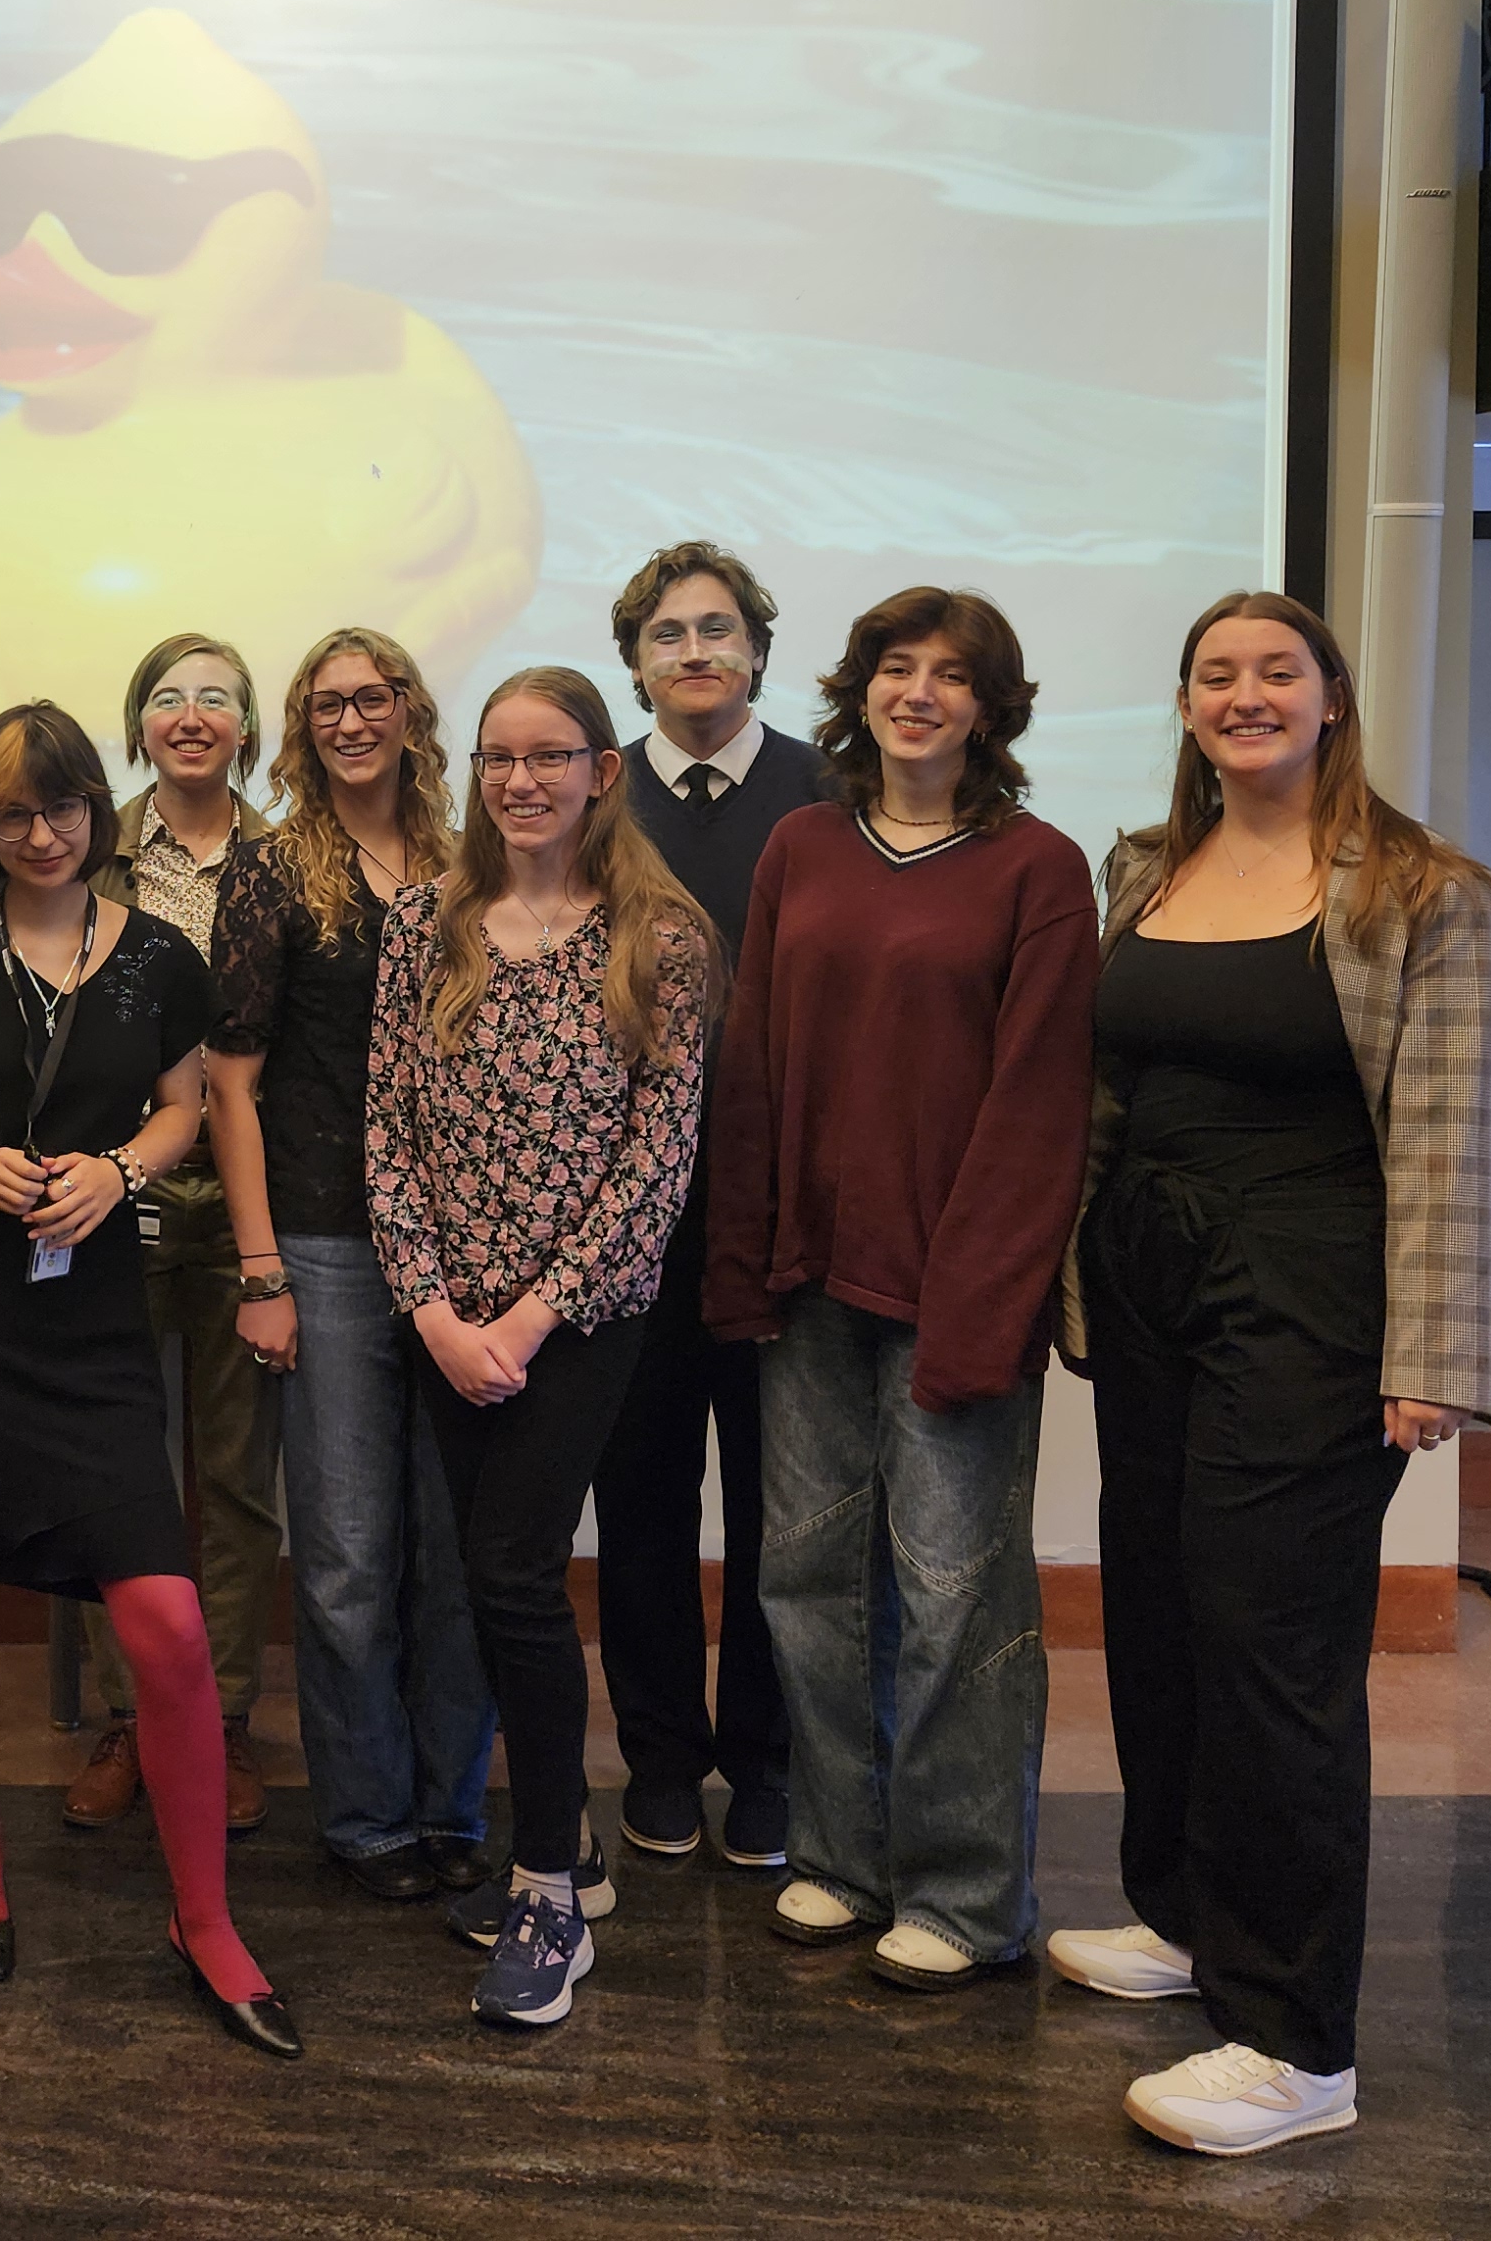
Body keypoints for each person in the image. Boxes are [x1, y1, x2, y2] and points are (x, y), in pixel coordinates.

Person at [1049, 591, 1491, 2159]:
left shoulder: (1426, 892)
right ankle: (1186, 1918)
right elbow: (1115, 1086)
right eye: (1217, 674)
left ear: (1332, 697)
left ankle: (1295, 2041)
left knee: (1273, 1643)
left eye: (1277, 671)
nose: (1245, 694)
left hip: (1313, 1288)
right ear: (1189, 706)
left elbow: (1459, 1133)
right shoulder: (1148, 868)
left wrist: (1438, 1353)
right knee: (1160, 1606)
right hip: (1152, 1276)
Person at [0, 702, 298, 2059]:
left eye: (62, 808)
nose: (41, 836)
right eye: (12, 816)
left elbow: (185, 1105)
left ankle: (203, 1918)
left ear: (100, 809)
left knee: (163, 1621)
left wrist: (118, 1169)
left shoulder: (158, 955)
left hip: (89, 1315)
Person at [703, 585, 1096, 1997]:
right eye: (894, 666)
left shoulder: (1038, 868)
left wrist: (982, 1311)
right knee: (807, 1584)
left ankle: (966, 1895)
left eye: (950, 675)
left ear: (991, 708)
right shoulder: (803, 845)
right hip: (808, 1282)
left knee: (952, 1599)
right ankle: (840, 1857)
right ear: (858, 688)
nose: (917, 692)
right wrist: (743, 1260)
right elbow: (753, 1060)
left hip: (953, 1293)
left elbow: (1040, 1108)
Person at [365, 664, 720, 2031]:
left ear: (601, 772)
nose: (521, 781)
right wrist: (432, 1311)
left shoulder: (660, 940)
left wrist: (525, 1319)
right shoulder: (424, 923)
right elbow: (387, 1131)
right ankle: (564, 1849)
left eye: (550, 756)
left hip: (578, 1320)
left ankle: (548, 1900)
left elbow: (656, 1162)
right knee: (489, 1579)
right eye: (500, 758)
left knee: (513, 1575)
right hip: (446, 1322)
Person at [205, 627, 497, 1907]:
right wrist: (260, 1270)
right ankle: (369, 1814)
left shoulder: (475, 864)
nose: (350, 721)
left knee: (455, 1551)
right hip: (323, 1247)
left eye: (371, 698)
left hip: (467, 1253)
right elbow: (229, 1083)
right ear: (301, 729)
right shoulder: (273, 871)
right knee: (344, 1556)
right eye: (325, 705)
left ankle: (452, 1805)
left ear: (410, 713)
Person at [594, 540, 822, 1872]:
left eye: (718, 629)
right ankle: (663, 1760)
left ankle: (771, 1766)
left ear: (758, 652)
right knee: (639, 1504)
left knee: (782, 1511)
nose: (695, 651)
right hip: (628, 1225)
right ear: (635, 665)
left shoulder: (827, 796)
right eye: (668, 634)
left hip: (780, 1222)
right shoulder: (592, 798)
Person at [66, 630, 281, 1839]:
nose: (190, 714)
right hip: (113, 1195)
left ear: (246, 729)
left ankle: (225, 1718)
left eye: (216, 698)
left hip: (250, 1198)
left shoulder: (288, 858)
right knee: (116, 1470)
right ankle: (129, 1714)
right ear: (137, 724)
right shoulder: (90, 856)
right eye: (166, 697)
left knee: (239, 1480)